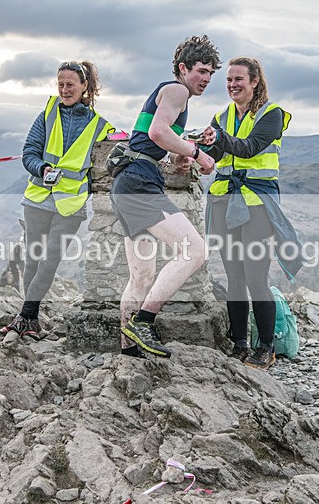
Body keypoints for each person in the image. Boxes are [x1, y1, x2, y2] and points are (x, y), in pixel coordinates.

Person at [111, 35, 221, 358]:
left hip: (126, 184)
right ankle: (144, 321)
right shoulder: (177, 91)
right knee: (196, 250)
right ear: (183, 68)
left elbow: (149, 140)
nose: (206, 79)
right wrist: (198, 153)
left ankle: (129, 350)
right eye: (201, 71)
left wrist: (177, 158)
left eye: (211, 74)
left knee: (141, 276)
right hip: (139, 184)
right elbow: (159, 132)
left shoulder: (167, 94)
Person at [2, 61, 114, 340]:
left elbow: (120, 148)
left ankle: (24, 318)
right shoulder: (47, 114)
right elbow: (29, 152)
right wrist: (42, 168)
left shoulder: (101, 126)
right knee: (32, 260)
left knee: (50, 261)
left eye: (70, 85)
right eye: (60, 84)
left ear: (85, 86)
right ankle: (31, 318)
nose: (64, 90)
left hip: (71, 205)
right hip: (38, 198)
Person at [203, 56, 302, 370]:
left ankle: (266, 347)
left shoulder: (272, 115)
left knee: (256, 277)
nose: (233, 85)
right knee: (234, 277)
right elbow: (216, 154)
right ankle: (239, 343)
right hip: (223, 201)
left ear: (255, 81)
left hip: (257, 204)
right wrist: (202, 145)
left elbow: (249, 147)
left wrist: (219, 138)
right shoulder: (221, 116)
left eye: (239, 79)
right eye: (229, 80)